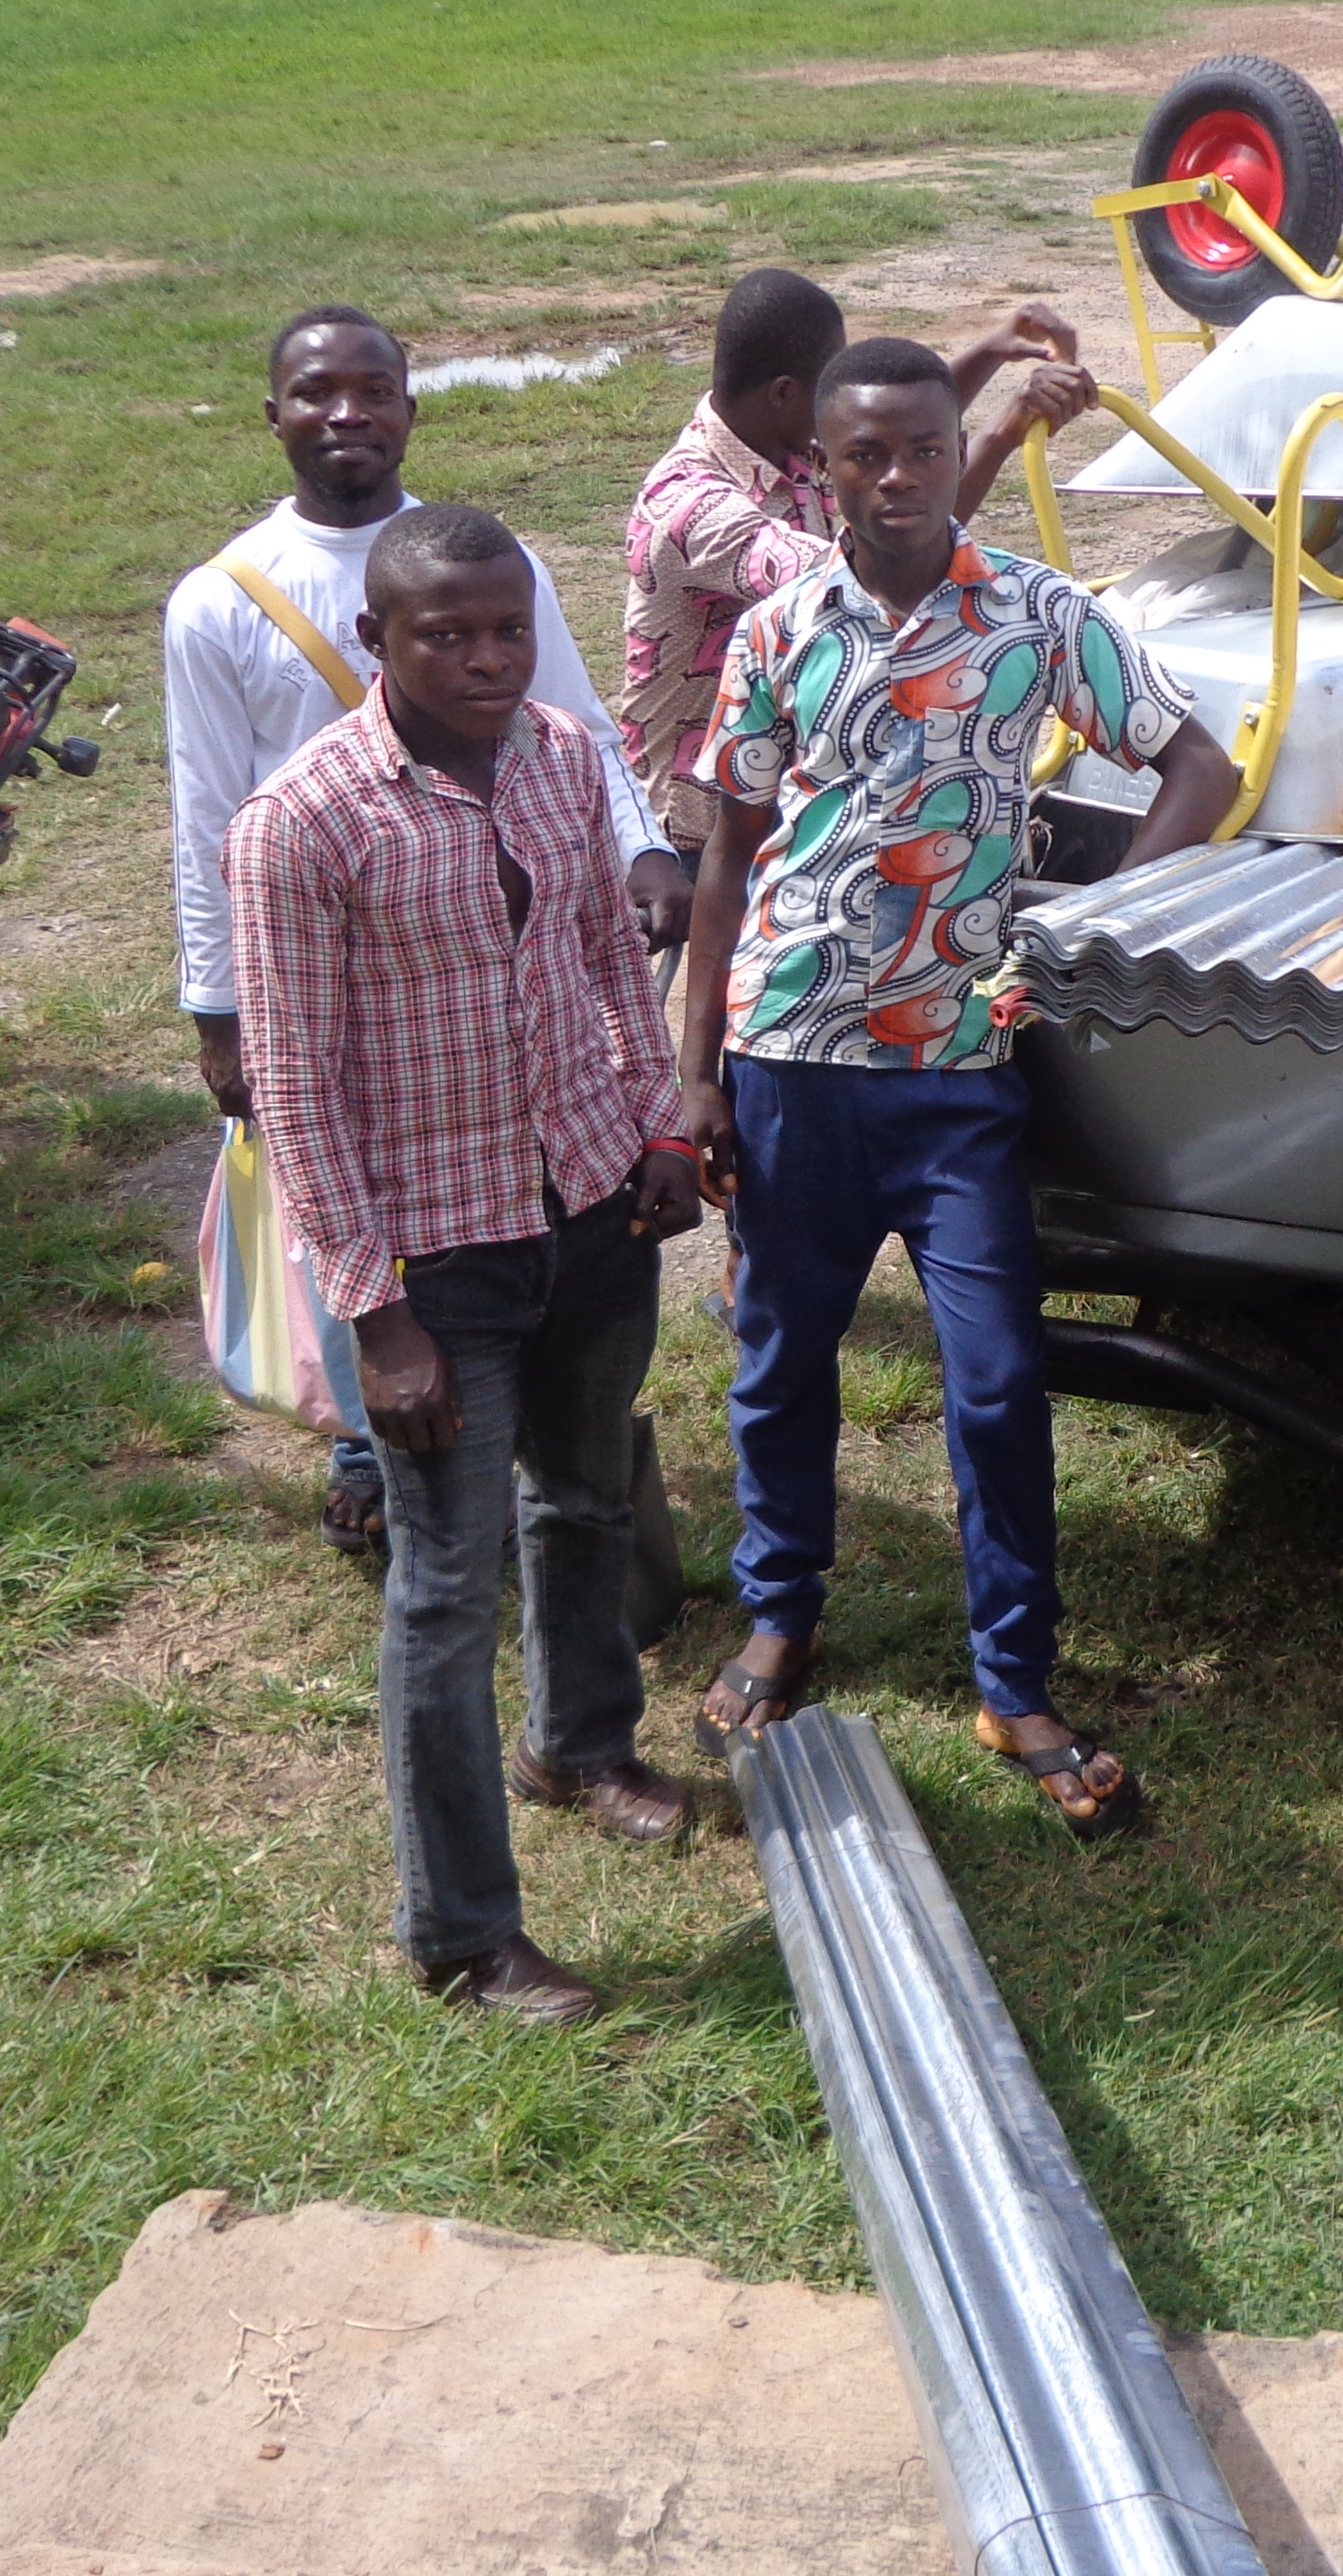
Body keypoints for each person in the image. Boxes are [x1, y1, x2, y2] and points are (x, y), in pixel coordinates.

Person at [670, 337, 1240, 1837]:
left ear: (951, 449)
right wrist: (698, 1077)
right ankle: (779, 1614)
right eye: (865, 456)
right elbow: (727, 859)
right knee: (783, 1363)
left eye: (924, 449)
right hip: (791, 1064)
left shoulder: (1033, 614)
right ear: (828, 469)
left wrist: (1089, 924)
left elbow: (1198, 764)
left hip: (958, 1078)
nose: (899, 478)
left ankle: (1012, 1678)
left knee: (994, 1381)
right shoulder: (781, 624)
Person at [224, 502, 707, 2024]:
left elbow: (604, 963)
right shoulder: (302, 823)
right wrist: (372, 1312)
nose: (485, 659)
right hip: (436, 1258)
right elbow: (293, 1085)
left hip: (587, 1206)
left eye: (507, 628)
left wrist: (651, 1124)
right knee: (442, 1589)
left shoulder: (568, 758)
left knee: (585, 1493)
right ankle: (462, 1933)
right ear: (377, 641)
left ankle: (582, 1744)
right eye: (446, 634)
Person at [168, 305, 682, 1557]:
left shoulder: (482, 562)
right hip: (322, 940)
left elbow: (575, 726)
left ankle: (517, 1443)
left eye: (373, 390)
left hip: (482, 925)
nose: (347, 414)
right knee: (347, 1185)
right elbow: (202, 810)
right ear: (275, 415)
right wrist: (217, 1003)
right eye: (315, 392)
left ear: (411, 406)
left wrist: (640, 845)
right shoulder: (223, 601)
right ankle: (369, 1437)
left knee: (498, 1185)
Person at [619, 270, 1100, 863]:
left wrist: (990, 351)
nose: (850, 408)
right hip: (711, 824)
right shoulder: (694, 506)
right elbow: (879, 566)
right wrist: (1002, 434)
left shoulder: (783, 446)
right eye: (832, 387)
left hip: (795, 779)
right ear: (785, 395)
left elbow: (885, 432)